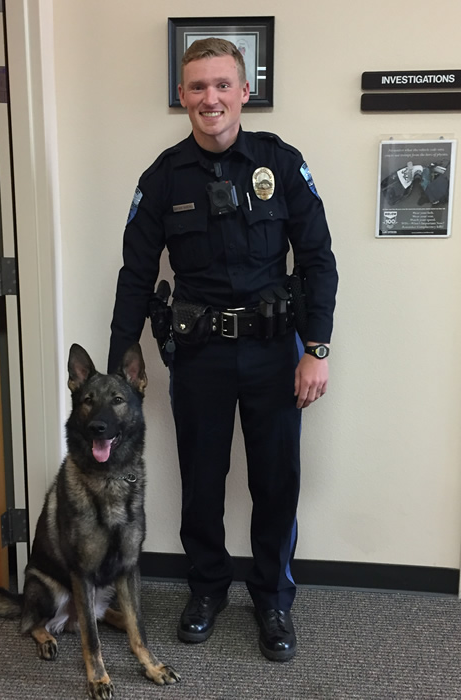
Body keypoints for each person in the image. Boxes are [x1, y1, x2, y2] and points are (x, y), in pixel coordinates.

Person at [108, 38, 337, 662]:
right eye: (197, 87)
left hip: (273, 353)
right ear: (182, 96)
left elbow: (318, 260)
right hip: (200, 355)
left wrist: (316, 348)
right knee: (203, 482)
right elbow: (134, 274)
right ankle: (206, 589)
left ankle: (272, 597)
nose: (210, 98)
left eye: (221, 85)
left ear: (243, 91)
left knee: (276, 482)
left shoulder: (281, 164)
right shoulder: (162, 177)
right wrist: (116, 371)